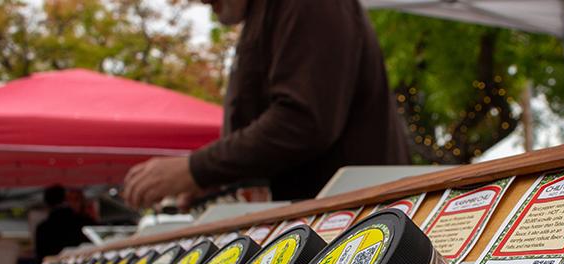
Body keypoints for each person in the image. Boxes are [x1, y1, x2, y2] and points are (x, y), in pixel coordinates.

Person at [123, 0, 409, 207]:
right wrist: (215, 180)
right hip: (329, 225)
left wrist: (196, 169)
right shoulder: (267, 12)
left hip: (355, 225)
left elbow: (304, 122)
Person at [34, 185, 93, 261]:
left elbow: (41, 258)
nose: (81, 203)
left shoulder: (42, 227)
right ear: (67, 200)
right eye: (77, 199)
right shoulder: (84, 222)